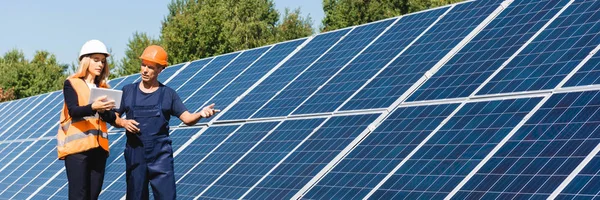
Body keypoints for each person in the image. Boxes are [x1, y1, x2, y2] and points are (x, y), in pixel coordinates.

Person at [114, 45, 218, 200]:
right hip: (135, 155)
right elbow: (113, 117)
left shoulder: (168, 94)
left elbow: (187, 118)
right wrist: (123, 123)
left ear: (160, 69)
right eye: (143, 65)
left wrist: (200, 114)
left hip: (161, 157)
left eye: (150, 67)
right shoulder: (128, 91)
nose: (145, 70)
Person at [57, 39, 117, 200]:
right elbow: (74, 110)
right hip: (77, 150)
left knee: (93, 195)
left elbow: (111, 117)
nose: (100, 64)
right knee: (79, 195)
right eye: (96, 60)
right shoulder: (72, 83)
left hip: (99, 150)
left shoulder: (104, 88)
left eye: (103, 61)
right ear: (86, 60)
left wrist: (106, 111)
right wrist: (93, 107)